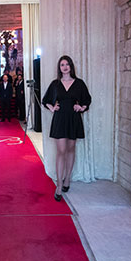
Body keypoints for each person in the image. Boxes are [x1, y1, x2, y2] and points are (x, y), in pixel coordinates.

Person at [42, 55, 91, 202]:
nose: (65, 67)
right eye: (62, 65)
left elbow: (87, 100)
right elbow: (45, 100)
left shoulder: (79, 83)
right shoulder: (55, 84)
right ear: (59, 67)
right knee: (61, 150)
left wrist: (81, 107)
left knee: (70, 149)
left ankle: (67, 178)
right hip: (60, 119)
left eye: (67, 64)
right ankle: (59, 184)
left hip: (73, 119)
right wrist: (52, 107)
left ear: (71, 66)